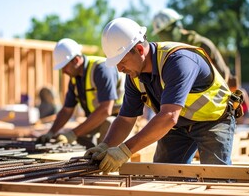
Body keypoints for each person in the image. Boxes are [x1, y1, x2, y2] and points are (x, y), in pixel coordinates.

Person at [84, 17, 238, 173]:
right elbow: (125, 118)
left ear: (139, 50)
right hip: (177, 127)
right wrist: (106, 145)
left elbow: (169, 116)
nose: (119, 69)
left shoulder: (178, 61)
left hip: (212, 120)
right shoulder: (134, 75)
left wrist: (124, 150)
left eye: (122, 61)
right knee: (164, 176)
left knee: (216, 177)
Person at [36, 38, 122, 148]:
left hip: (121, 119)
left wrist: (73, 134)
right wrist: (51, 132)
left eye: (65, 67)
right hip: (98, 118)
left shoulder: (101, 69)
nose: (63, 72)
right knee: (81, 139)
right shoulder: (75, 79)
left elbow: (106, 110)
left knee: (106, 130)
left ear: (76, 60)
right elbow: (67, 110)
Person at [152, 8, 231, 83]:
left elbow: (223, 74)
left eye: (165, 32)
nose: (163, 37)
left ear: (178, 25)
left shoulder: (202, 45)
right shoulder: (168, 53)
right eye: (160, 34)